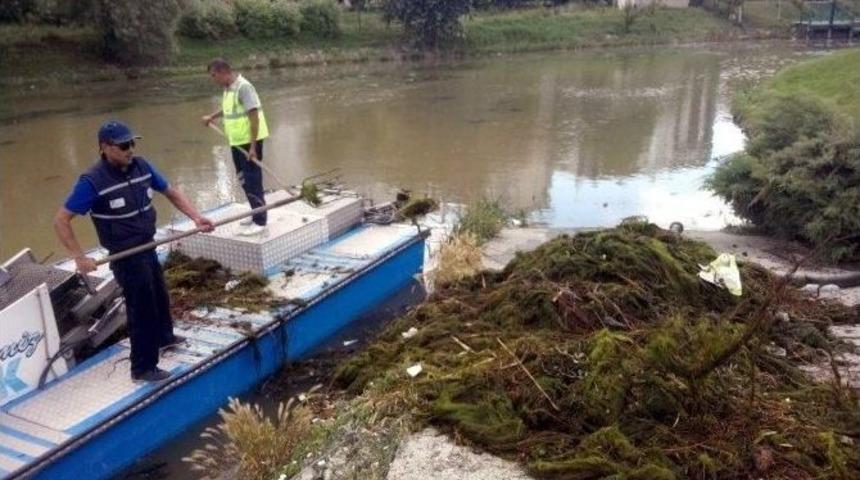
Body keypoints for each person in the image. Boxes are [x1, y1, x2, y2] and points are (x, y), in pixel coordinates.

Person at [54, 120, 215, 383]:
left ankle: (165, 338)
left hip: (147, 244)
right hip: (126, 255)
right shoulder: (93, 181)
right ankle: (142, 368)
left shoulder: (142, 166)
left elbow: (171, 192)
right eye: (122, 145)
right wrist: (79, 256)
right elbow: (61, 220)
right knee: (142, 308)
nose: (130, 149)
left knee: (160, 295)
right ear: (104, 148)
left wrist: (197, 217)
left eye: (132, 143)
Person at [202, 58, 270, 236]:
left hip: (250, 143)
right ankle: (254, 212)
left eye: (213, 75)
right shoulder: (228, 89)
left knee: (253, 180)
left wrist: (254, 147)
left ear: (223, 72)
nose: (213, 79)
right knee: (243, 179)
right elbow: (229, 110)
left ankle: (260, 222)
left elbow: (253, 116)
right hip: (236, 142)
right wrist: (212, 116)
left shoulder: (243, 87)